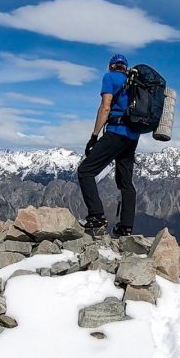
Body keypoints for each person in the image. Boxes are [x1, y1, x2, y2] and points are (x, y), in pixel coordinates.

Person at [76, 53, 142, 238]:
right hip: (132, 137)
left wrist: (94, 136)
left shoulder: (110, 77)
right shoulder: (135, 83)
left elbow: (106, 107)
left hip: (116, 132)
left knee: (85, 171)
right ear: (126, 66)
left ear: (111, 66)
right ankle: (125, 228)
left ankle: (96, 218)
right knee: (125, 182)